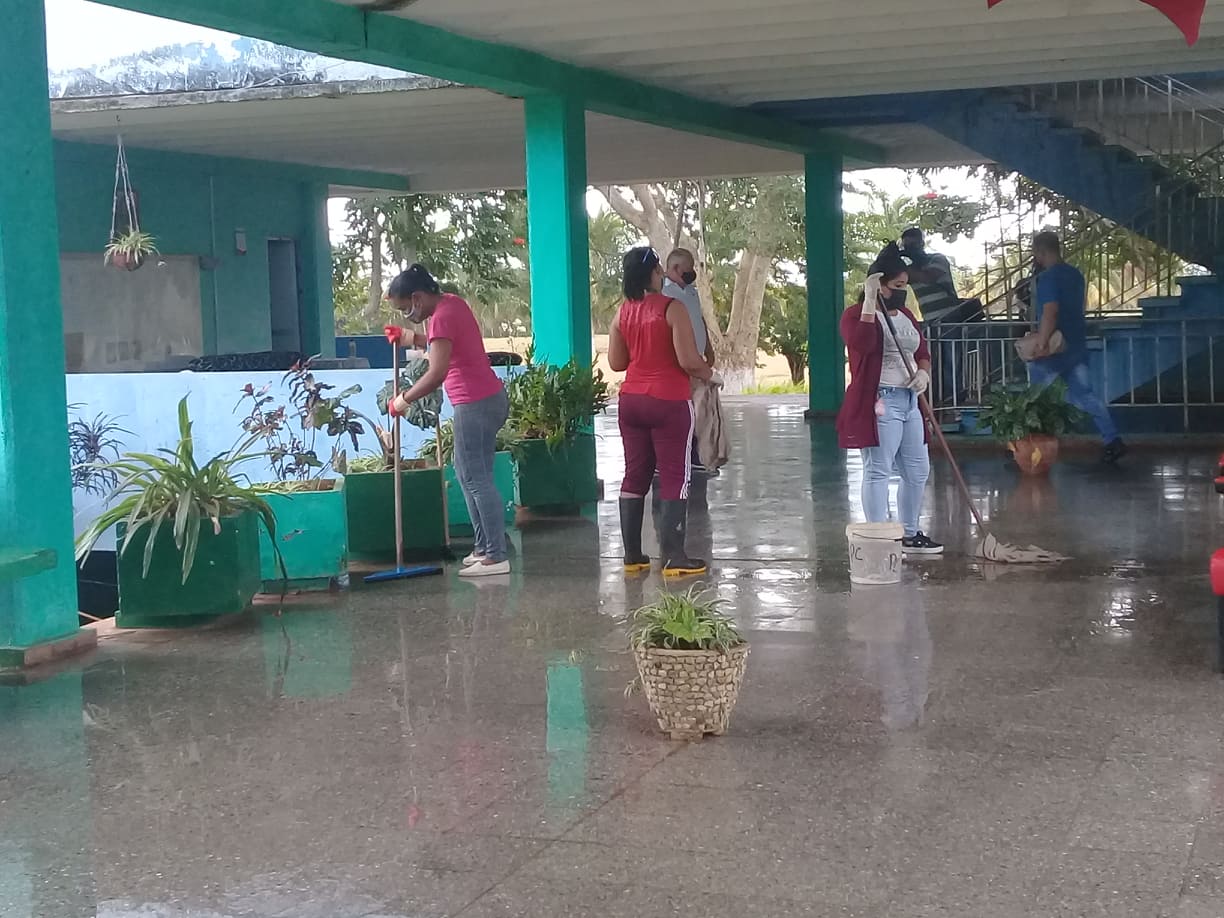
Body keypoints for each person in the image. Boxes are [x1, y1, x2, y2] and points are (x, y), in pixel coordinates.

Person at [384, 264, 511, 577]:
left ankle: (495, 555)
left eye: (405, 309)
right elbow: (440, 341)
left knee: (475, 479)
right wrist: (411, 337)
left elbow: (437, 371)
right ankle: (484, 548)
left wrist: (404, 399)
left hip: (474, 402)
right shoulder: (451, 304)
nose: (407, 314)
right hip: (485, 398)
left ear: (418, 297)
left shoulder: (442, 315)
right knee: (472, 477)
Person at [609, 246, 719, 577]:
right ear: (655, 273)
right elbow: (688, 361)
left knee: (635, 474)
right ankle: (674, 557)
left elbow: (617, 363)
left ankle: (633, 557)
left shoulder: (622, 312)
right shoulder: (673, 308)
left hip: (631, 402)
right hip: (669, 401)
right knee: (675, 474)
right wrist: (711, 375)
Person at [836, 253, 943, 555]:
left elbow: (921, 350)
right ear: (878, 284)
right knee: (878, 469)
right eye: (897, 284)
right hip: (881, 400)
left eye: (905, 285)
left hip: (910, 399)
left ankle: (909, 533)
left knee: (917, 470)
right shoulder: (854, 314)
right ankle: (879, 536)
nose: (902, 291)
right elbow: (863, 343)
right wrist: (870, 302)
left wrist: (923, 372)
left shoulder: (906, 316)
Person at [1027, 231, 1126, 464]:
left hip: (1053, 350)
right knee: (1086, 395)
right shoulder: (1075, 275)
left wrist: (1041, 343)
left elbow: (1050, 311)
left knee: (1034, 398)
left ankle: (1030, 448)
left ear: (1041, 252)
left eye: (1035, 252)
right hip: (1076, 344)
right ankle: (1112, 440)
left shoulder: (1048, 279)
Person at [899, 229, 984, 405]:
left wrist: (904, 261)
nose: (911, 248)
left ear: (922, 243)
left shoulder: (937, 259)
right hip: (931, 321)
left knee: (952, 363)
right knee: (935, 364)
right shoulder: (910, 269)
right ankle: (942, 403)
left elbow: (928, 276)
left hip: (950, 317)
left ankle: (954, 402)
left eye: (913, 244)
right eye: (907, 245)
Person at [662, 248, 726, 477]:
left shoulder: (691, 293)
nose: (692, 274)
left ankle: (698, 456)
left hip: (696, 358)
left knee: (700, 410)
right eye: (688, 269)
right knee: (685, 412)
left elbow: (699, 320)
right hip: (678, 362)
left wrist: (707, 348)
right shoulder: (664, 293)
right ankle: (686, 458)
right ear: (676, 268)